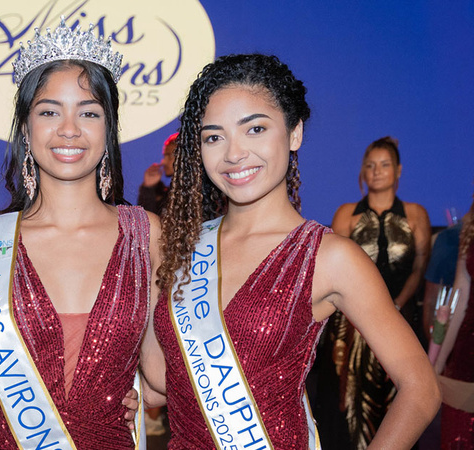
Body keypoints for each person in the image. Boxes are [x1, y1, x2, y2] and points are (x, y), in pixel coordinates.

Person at [142, 53, 439, 449]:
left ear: (295, 132)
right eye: (214, 137)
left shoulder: (329, 257)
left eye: (255, 129)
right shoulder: (182, 248)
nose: (233, 154)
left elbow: (421, 389)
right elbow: (163, 381)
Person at [0, 20, 160, 449]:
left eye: (89, 112)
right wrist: (13, 382)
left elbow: (168, 369)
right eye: (49, 112)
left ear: (109, 129)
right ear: (25, 127)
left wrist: (143, 391)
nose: (68, 129)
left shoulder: (146, 235)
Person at [320, 136, 432, 447]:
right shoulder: (346, 214)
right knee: (350, 408)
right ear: (362, 172)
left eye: (384, 165)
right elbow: (333, 271)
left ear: (398, 170)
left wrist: (397, 304)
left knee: (402, 396)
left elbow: (419, 267)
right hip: (351, 327)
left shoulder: (416, 214)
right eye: (370, 165)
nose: (377, 171)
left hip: (401, 316)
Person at [434, 194, 474, 448]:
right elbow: (460, 300)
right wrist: (437, 364)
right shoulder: (470, 224)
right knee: (457, 438)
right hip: (466, 356)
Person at [136, 132, 176, 215]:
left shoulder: (200, 193)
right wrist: (148, 187)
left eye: (169, 155)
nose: (163, 162)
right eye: (164, 156)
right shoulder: (167, 194)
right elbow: (147, 222)